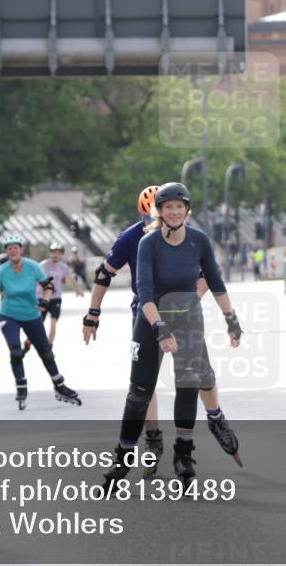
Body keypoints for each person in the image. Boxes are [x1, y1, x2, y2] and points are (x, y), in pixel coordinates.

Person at [83, 185, 241, 476]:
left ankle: (215, 417)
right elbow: (105, 274)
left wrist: (195, 305)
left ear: (185, 210)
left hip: (184, 313)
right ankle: (152, 437)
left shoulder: (195, 239)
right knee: (143, 388)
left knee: (200, 377)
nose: (167, 216)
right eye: (158, 212)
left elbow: (211, 278)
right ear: (151, 212)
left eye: (178, 208)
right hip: (146, 312)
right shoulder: (135, 238)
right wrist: (93, 313)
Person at [0, 234, 80, 411]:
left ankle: (59, 385)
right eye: (9, 248)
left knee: (45, 351)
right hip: (9, 315)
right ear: (6, 252)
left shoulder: (33, 266)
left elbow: (48, 286)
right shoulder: (2, 270)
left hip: (31, 314)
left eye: (15, 247)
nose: (12, 251)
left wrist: (45, 301)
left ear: (21, 250)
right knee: (15, 351)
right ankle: (21, 387)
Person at [34, 241, 85, 348]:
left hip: (56, 299)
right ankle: (32, 342)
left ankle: (49, 346)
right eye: (53, 252)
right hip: (42, 298)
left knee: (53, 323)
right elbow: (34, 279)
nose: (56, 255)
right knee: (38, 324)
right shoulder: (43, 265)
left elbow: (70, 279)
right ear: (50, 253)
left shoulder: (64, 267)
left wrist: (78, 290)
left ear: (62, 254)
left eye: (58, 253)